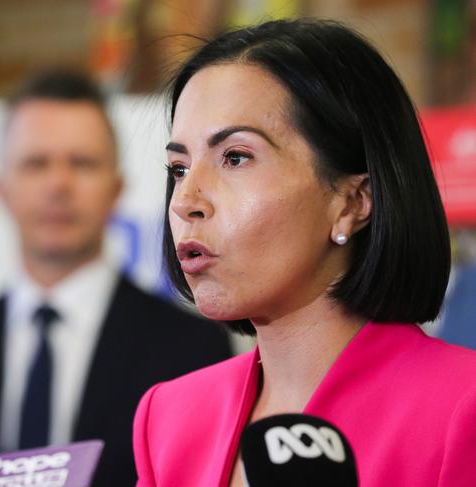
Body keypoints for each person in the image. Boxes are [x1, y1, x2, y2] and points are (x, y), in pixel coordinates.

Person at [133, 19, 476, 487]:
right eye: (178, 167)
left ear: (354, 202)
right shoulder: (167, 417)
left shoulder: (461, 409)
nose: (185, 200)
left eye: (235, 157)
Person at [0, 70, 232, 486]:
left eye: (81, 163)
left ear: (116, 187)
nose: (58, 184)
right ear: (0, 188)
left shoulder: (192, 351)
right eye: (36, 163)